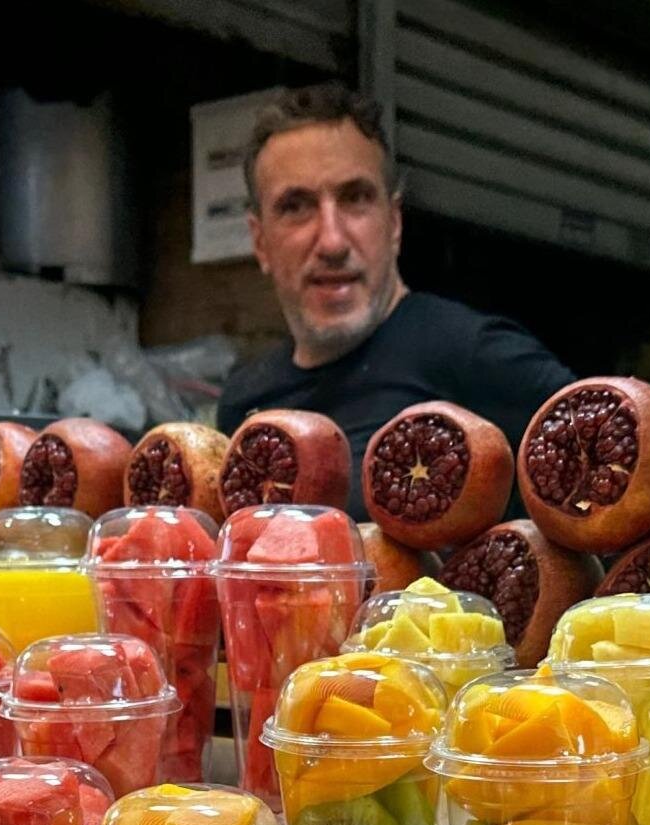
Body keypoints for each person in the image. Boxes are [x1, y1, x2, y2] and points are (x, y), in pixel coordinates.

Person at [215, 84, 576, 520]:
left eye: (355, 198)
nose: (332, 242)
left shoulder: (474, 354)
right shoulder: (244, 401)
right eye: (296, 206)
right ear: (259, 242)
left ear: (395, 223)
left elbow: (640, 484)